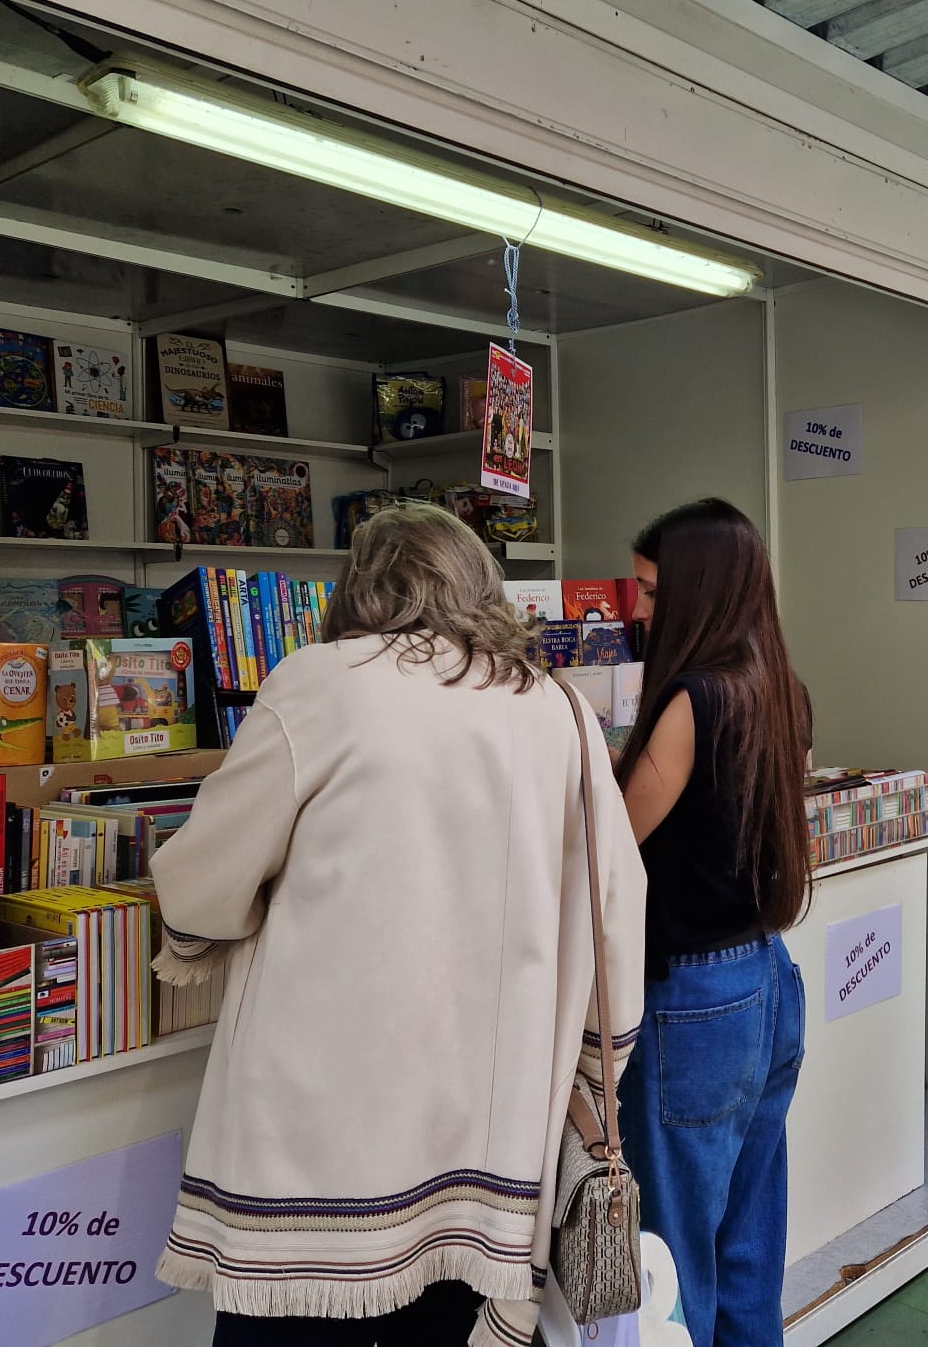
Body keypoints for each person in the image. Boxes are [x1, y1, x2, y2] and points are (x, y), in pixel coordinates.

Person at [147, 502, 646, 1347]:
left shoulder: (319, 683)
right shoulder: (554, 707)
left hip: (319, 1137)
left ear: (359, 587)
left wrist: (200, 934)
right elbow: (615, 913)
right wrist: (597, 1073)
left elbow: (203, 883)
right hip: (488, 1137)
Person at [616, 498, 812, 1347]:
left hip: (694, 1001)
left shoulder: (693, 702)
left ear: (698, 595)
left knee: (673, 1254)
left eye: (655, 593)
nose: (639, 612)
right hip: (766, 981)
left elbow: (613, 842)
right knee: (747, 1244)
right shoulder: (781, 691)